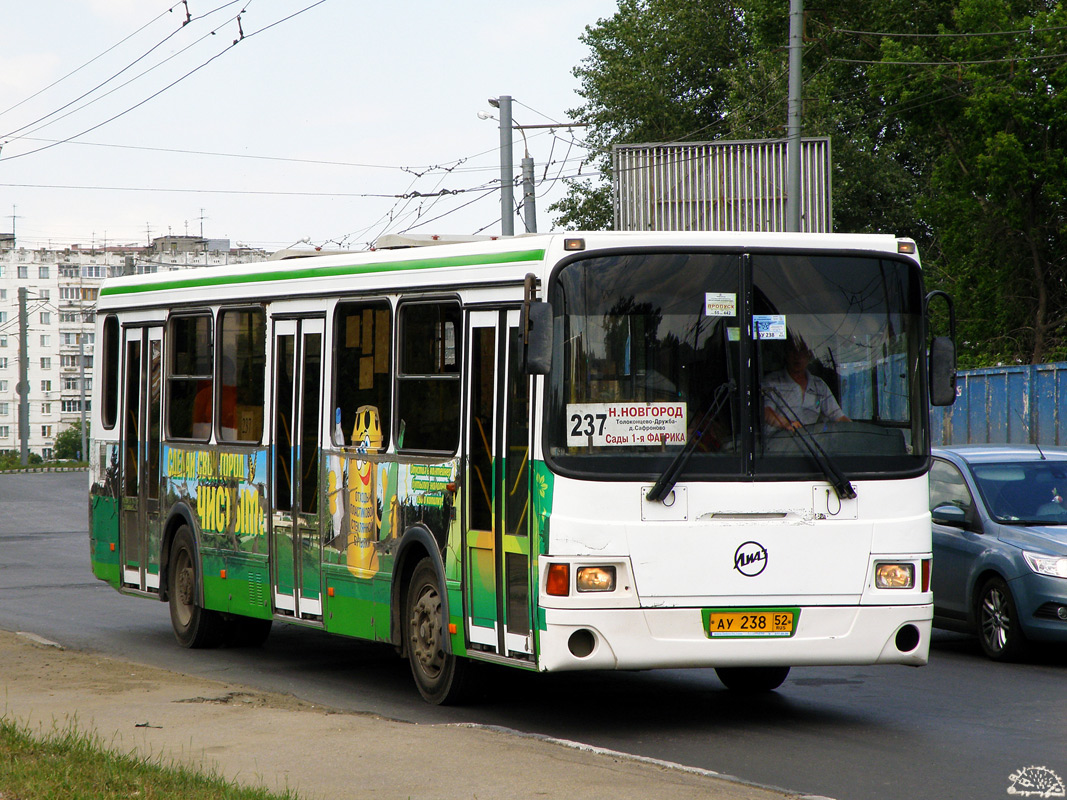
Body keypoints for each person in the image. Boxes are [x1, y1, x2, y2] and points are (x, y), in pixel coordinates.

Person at [763, 336, 849, 432]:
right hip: (778, 443)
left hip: (810, 444)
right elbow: (766, 412)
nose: (797, 357)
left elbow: (837, 415)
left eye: (802, 353)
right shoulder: (772, 382)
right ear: (786, 355)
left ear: (809, 356)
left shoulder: (819, 385)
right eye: (793, 352)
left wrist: (854, 430)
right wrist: (787, 423)